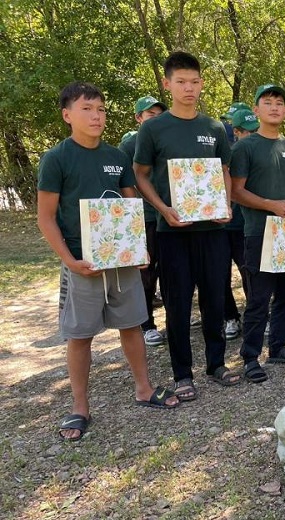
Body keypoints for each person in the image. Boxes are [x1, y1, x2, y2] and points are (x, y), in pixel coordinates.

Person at [38, 82, 180, 441]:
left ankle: (144, 389)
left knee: (132, 324)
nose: (96, 116)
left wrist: (138, 248)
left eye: (100, 109)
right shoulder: (56, 159)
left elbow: (131, 206)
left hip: (121, 261)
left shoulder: (117, 156)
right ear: (67, 115)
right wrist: (70, 261)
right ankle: (80, 407)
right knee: (80, 335)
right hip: (83, 264)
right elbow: (46, 217)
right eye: (87, 109)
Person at [134, 51, 240, 401]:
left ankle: (216, 363)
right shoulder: (152, 128)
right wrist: (163, 208)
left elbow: (224, 171)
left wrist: (227, 204)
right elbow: (140, 174)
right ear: (167, 84)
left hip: (212, 230)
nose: (189, 88)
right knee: (178, 303)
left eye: (194, 82)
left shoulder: (214, 128)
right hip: (173, 231)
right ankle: (182, 374)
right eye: (181, 82)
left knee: (214, 296)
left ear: (202, 84)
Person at [230, 83, 285, 383]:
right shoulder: (244, 147)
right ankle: (250, 356)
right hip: (258, 233)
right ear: (257, 110)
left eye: (279, 102)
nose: (274, 107)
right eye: (268, 102)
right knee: (259, 298)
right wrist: (271, 205)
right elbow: (236, 192)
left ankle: (277, 347)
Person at [119, 96, 168, 347]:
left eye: (160, 114)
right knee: (146, 274)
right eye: (150, 115)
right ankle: (147, 325)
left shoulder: (168, 141)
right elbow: (123, 183)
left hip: (170, 217)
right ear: (139, 118)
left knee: (170, 271)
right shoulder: (129, 146)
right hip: (144, 219)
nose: (156, 119)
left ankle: (174, 320)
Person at [222, 108, 260, 340]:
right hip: (220, 226)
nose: (251, 135)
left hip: (245, 226)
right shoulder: (226, 154)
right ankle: (230, 318)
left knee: (250, 273)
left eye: (254, 130)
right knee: (221, 277)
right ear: (235, 131)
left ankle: (255, 316)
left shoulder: (257, 152)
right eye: (247, 131)